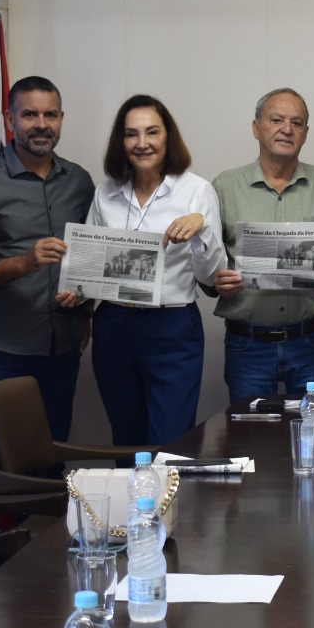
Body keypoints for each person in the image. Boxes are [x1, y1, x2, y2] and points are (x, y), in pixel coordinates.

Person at [0, 76, 95, 505]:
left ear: (61, 120)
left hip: (60, 347)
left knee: (50, 460)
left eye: (49, 114)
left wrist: (86, 297)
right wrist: (25, 263)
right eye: (29, 114)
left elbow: (91, 261)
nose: (41, 124)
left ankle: (43, 566)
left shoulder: (81, 182)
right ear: (9, 118)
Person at [64, 95, 222, 446]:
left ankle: (168, 505)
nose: (142, 143)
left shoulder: (196, 191)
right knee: (127, 440)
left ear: (168, 136)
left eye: (152, 132)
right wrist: (76, 289)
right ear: (121, 142)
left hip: (172, 330)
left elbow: (212, 277)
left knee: (171, 443)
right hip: (114, 327)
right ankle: (128, 503)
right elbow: (89, 267)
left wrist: (202, 229)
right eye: (131, 134)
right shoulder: (106, 194)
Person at [210, 88, 314, 401]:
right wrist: (215, 281)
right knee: (251, 439)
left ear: (306, 133)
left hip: (312, 340)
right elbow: (208, 265)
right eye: (276, 120)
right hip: (248, 343)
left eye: (297, 123)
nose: (287, 129)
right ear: (256, 128)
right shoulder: (224, 186)